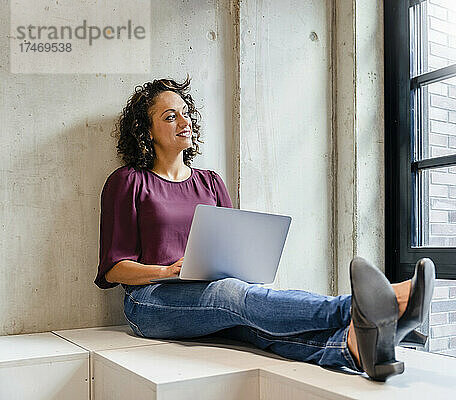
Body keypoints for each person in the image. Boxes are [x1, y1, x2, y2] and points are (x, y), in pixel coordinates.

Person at [94, 76, 435, 381]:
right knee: (231, 295)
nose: (184, 120)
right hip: (150, 303)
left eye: (185, 112)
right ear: (146, 131)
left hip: (211, 292)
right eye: (170, 116)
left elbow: (229, 247)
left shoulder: (209, 182)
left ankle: (354, 348)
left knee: (252, 322)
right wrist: (166, 270)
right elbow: (114, 270)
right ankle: (372, 306)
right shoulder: (128, 182)